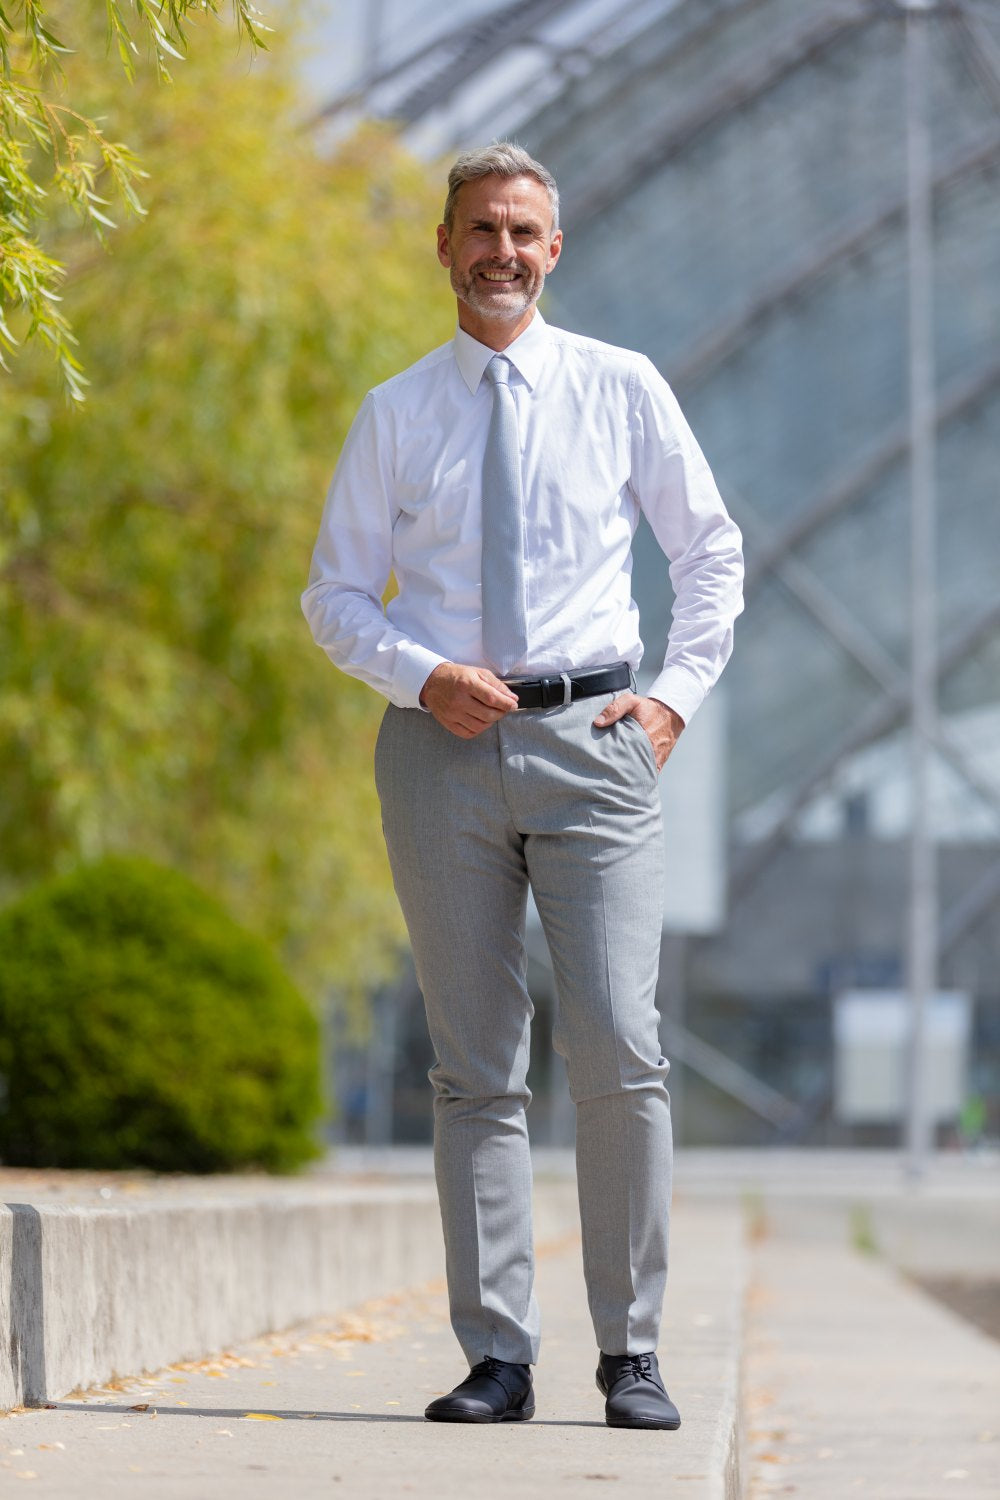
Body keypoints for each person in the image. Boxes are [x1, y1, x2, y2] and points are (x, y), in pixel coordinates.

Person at [301, 142, 744, 1430]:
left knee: (619, 1042)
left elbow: (707, 552)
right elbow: (332, 596)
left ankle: (633, 1353)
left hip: (597, 745)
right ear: (443, 247)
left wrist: (672, 698)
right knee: (474, 1067)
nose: (503, 251)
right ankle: (498, 1352)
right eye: (480, 229)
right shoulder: (397, 414)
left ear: (557, 251)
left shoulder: (621, 388)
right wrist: (418, 670)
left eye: (525, 232)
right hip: (439, 753)